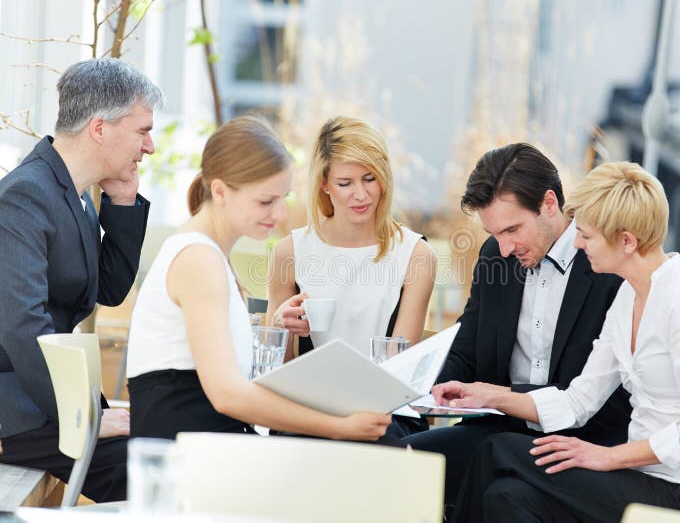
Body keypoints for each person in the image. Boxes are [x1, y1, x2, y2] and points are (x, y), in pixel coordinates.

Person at [449, 161, 680, 522]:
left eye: (586, 236)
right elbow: (578, 401)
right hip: (638, 476)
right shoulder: (628, 298)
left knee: (496, 450)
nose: (576, 242)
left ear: (626, 241)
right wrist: (491, 396)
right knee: (506, 496)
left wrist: (607, 457)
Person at [126, 115, 391, 443]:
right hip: (191, 457)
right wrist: (340, 426)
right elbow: (228, 395)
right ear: (220, 191)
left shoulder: (207, 252)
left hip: (208, 443)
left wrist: (276, 326)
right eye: (266, 201)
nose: (280, 215)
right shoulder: (199, 259)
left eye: (283, 199)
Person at [402, 143, 632, 505]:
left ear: (550, 204)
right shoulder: (496, 257)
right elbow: (467, 346)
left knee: (502, 494)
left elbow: (599, 397)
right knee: (400, 463)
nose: (504, 247)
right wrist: (418, 385)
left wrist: (502, 397)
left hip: (580, 442)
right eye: (494, 233)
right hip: (498, 427)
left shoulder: (606, 267)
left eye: (512, 230)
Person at [0, 58, 162, 502]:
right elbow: (22, 326)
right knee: (153, 471)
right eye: (142, 130)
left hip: (55, 395)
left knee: (165, 448)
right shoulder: (26, 195)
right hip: (18, 409)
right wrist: (80, 417)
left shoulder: (71, 190)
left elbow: (106, 290)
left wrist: (124, 203)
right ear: (99, 128)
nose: (149, 146)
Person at [265, 116, 436, 438]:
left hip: (386, 412)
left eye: (370, 179)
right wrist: (280, 325)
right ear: (325, 185)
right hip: (307, 410)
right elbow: (279, 369)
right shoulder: (290, 252)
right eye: (345, 183)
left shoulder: (415, 254)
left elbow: (399, 375)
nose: (361, 194)